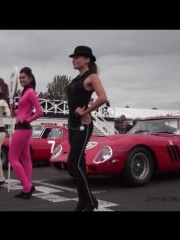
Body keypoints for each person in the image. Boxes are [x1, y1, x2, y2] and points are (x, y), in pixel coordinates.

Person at [66, 45, 108, 211]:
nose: (74, 60)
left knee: (73, 164)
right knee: (79, 165)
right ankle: (83, 201)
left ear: (87, 59)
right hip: (72, 124)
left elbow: (103, 97)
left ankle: (90, 200)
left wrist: (86, 110)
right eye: (73, 57)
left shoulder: (92, 77)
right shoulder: (75, 79)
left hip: (83, 125)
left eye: (77, 57)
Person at [9, 67, 43, 199]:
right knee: (25, 159)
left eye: (23, 77)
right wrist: (15, 111)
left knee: (13, 159)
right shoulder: (25, 92)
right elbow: (23, 111)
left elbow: (40, 111)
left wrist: (27, 120)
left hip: (23, 128)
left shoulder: (30, 92)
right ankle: (26, 187)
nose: (21, 80)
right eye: (20, 78)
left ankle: (27, 187)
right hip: (23, 128)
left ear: (30, 78)